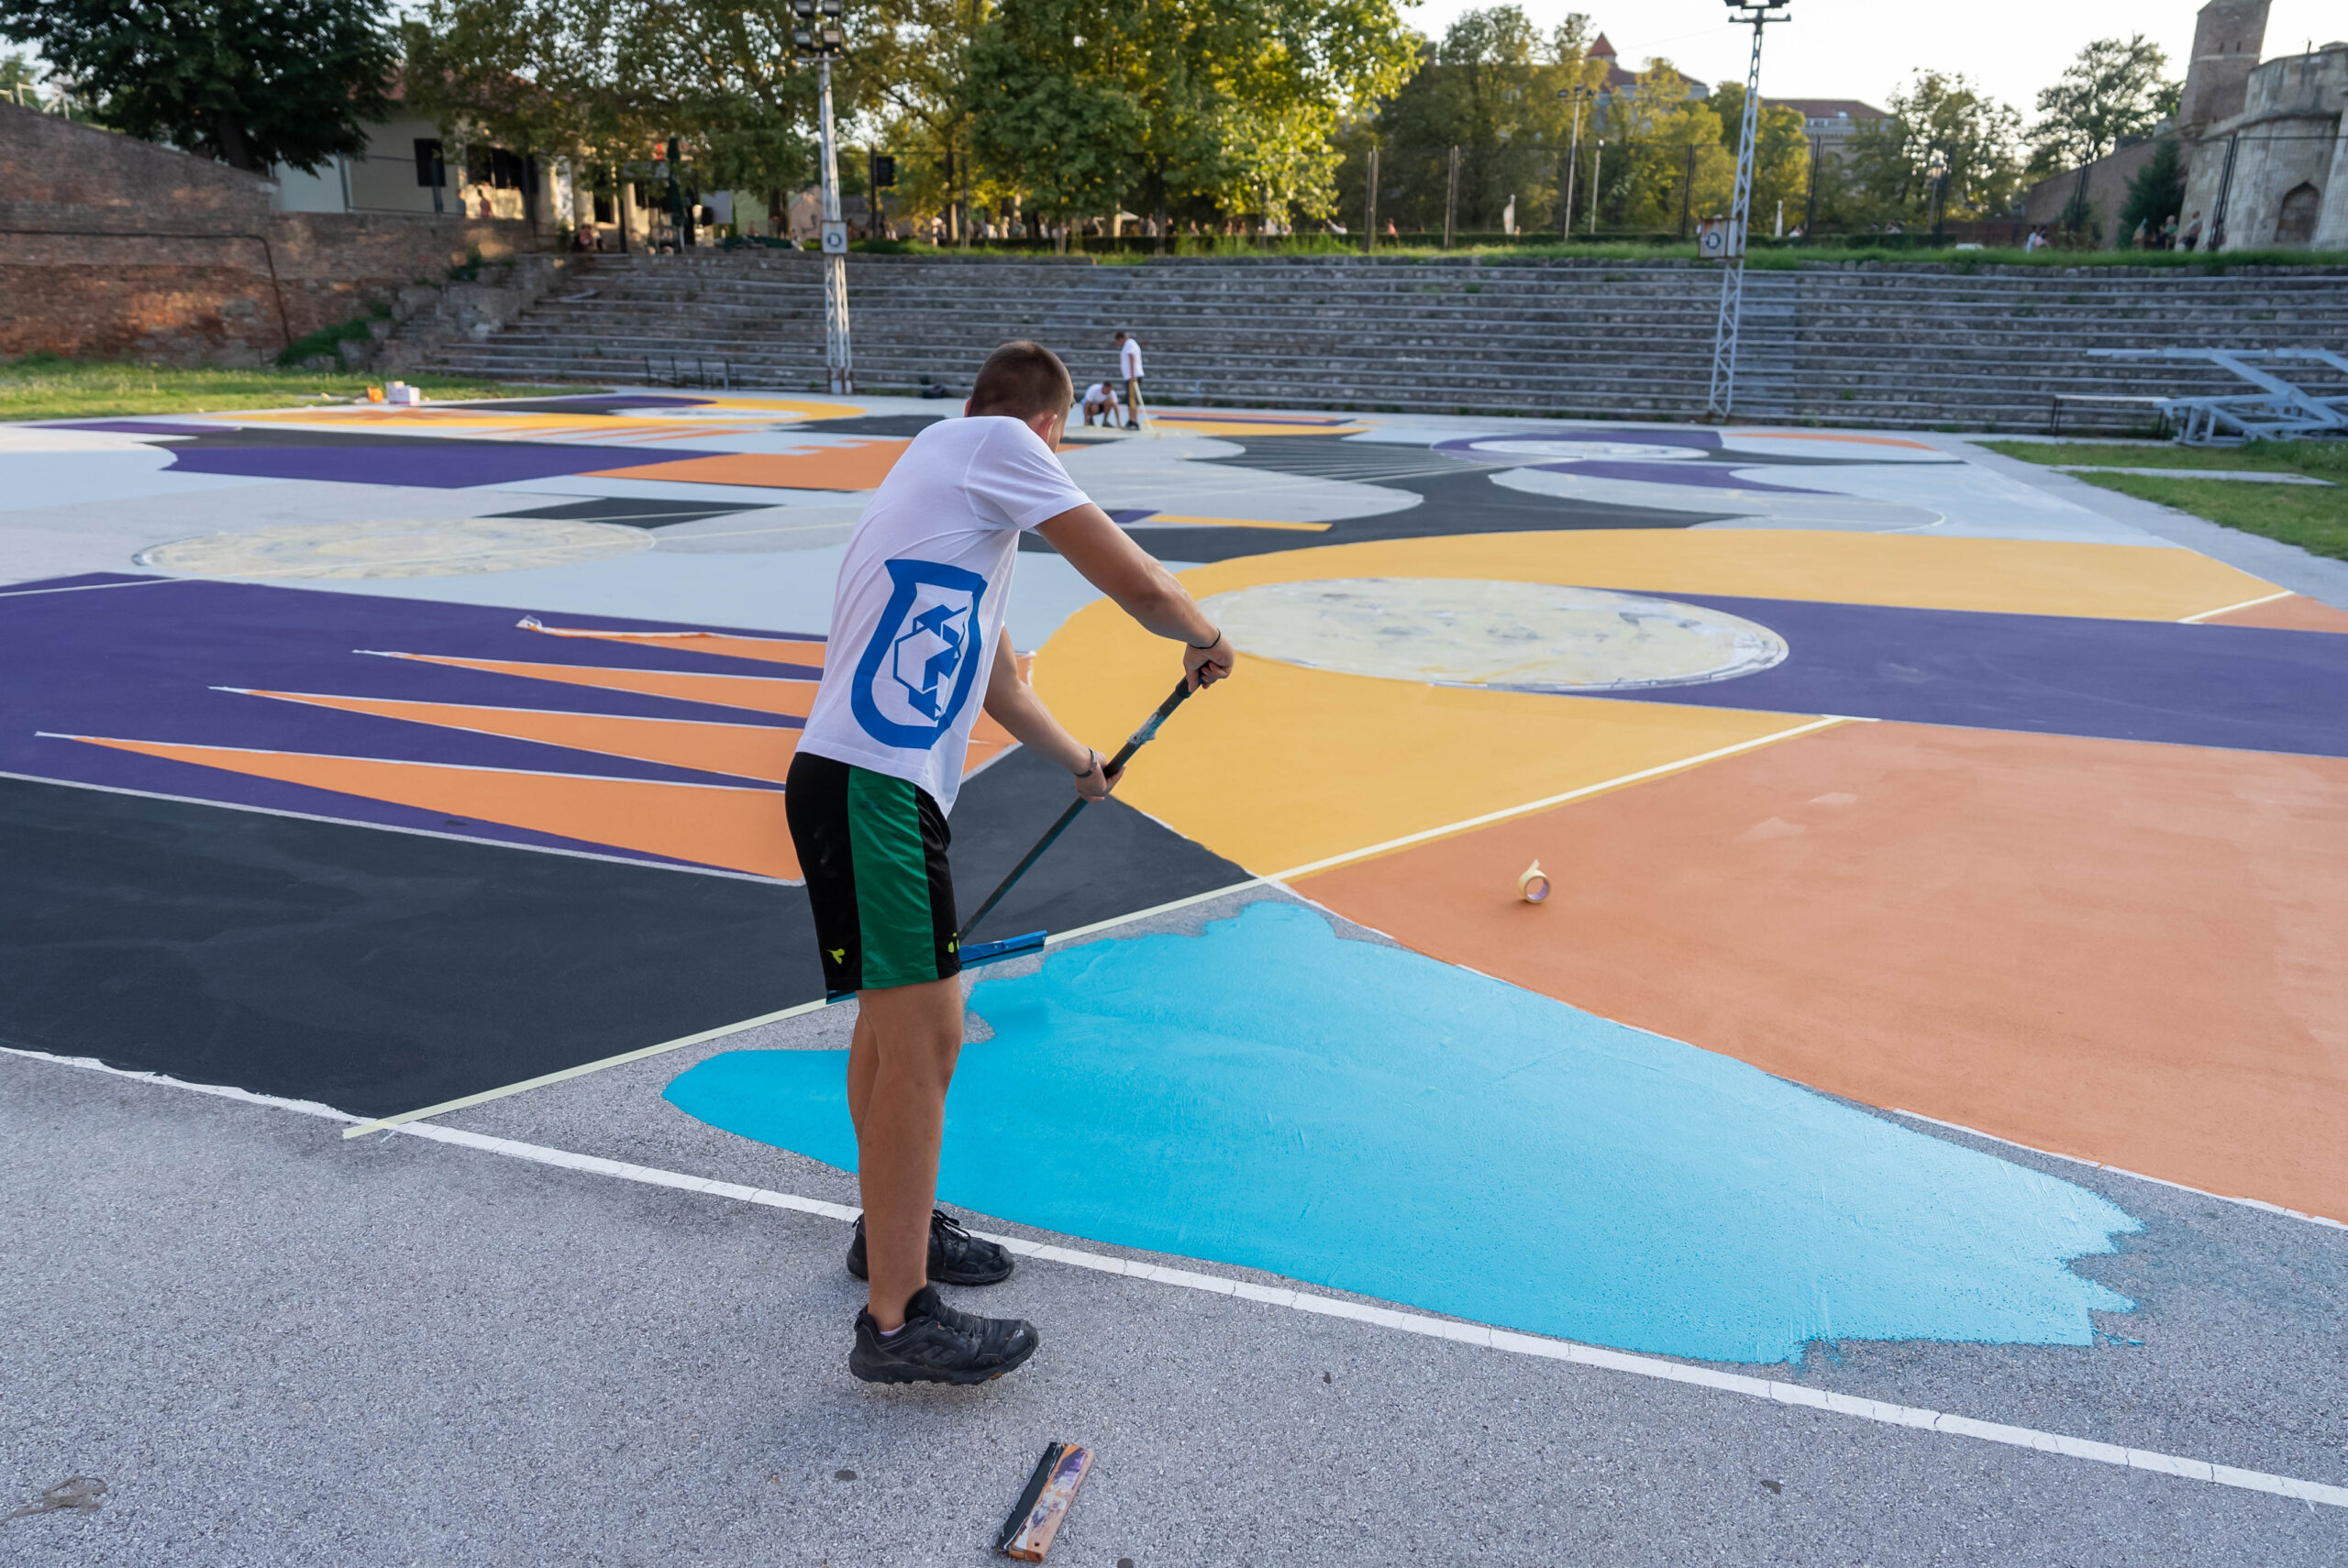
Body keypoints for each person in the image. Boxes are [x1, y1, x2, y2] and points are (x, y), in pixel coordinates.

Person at [785, 340, 1236, 1386]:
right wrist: (1203, 633)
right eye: (1061, 443)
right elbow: (1132, 574)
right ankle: (898, 1323)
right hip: (870, 784)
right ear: (1046, 428)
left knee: (894, 1026)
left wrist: (1085, 762)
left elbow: (999, 688)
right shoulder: (992, 441)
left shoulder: (945, 509)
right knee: (930, 1037)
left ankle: (886, 1235)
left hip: (875, 787)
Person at [1114, 329, 1146, 430]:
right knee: (1129, 399)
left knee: (1132, 399)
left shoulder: (1129, 344)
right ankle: (1131, 419)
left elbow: (1131, 357)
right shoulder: (1130, 344)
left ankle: (1134, 420)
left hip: (1132, 376)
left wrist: (1132, 374)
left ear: (1121, 339)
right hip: (1130, 376)